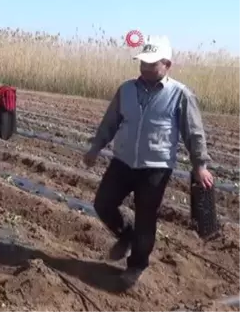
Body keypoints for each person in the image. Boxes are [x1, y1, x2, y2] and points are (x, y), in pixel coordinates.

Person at [83, 35, 214, 288]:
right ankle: (126, 234)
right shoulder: (126, 90)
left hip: (155, 168)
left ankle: (137, 265)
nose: (145, 67)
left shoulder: (179, 94)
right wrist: (95, 148)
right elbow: (110, 122)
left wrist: (200, 166)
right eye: (142, 62)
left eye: (151, 63)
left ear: (167, 64)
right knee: (103, 204)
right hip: (123, 161)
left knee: (146, 218)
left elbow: (194, 132)